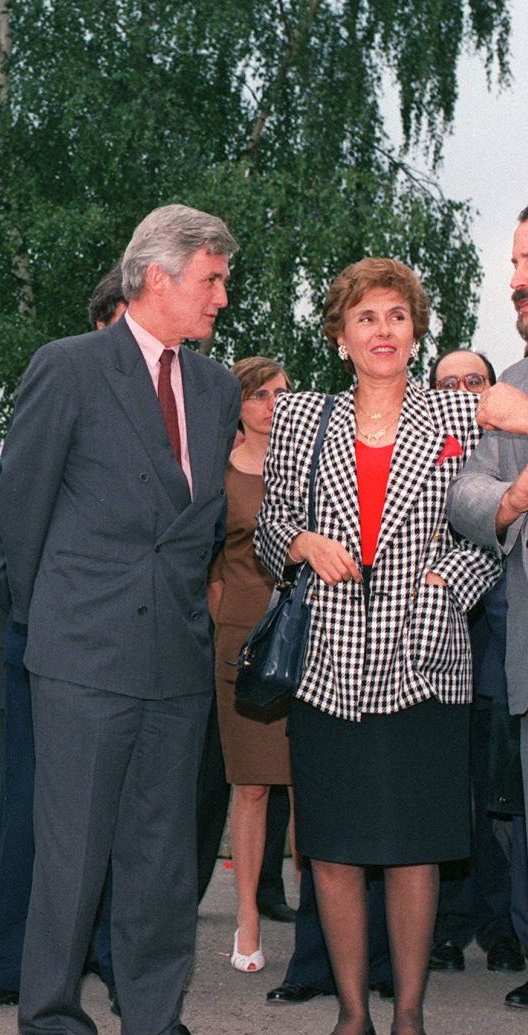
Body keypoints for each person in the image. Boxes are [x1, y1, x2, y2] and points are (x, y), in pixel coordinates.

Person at [0, 204, 239, 1035]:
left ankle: (154, 1030)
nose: (222, 295)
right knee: (72, 858)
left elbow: (202, 525)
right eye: (211, 279)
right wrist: (53, 617)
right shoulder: (68, 368)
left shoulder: (215, 388)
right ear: (158, 279)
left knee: (163, 861)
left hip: (175, 658)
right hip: (83, 658)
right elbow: (15, 509)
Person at [256, 257, 500, 1035]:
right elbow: (267, 529)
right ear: (340, 334)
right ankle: (352, 1015)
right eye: (366, 318)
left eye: (397, 315)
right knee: (332, 849)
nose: (383, 331)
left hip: (423, 661)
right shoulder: (300, 419)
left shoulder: (456, 414)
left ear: (416, 327)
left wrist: (444, 584)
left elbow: (489, 537)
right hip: (326, 666)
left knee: (414, 850)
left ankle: (411, 1018)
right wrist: (300, 541)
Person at [0, 268, 128, 1024]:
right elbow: (9, 570)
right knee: (25, 814)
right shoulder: (1, 479)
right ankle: (0, 968)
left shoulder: (150, 461)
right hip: (31, 662)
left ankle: (110, 959)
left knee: (114, 817)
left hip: (119, 662)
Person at [448, 188, 528, 1013]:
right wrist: (509, 501)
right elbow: (465, 495)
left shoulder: (521, 397)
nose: (518, 280)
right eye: (516, 263)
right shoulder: (514, 377)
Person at [425, 350, 525, 978]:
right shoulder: (412, 445)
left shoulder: (512, 446)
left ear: (492, 389)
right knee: (446, 801)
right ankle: (447, 927)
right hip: (427, 661)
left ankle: (503, 928)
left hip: (496, 657)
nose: (462, 390)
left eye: (474, 380)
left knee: (497, 806)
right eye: (448, 382)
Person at [208, 356, 294, 975]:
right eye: (259, 395)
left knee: (317, 788)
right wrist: (227, 629)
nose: (271, 405)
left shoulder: (313, 467)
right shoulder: (219, 475)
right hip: (241, 641)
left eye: (281, 394)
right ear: (237, 405)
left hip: (314, 639)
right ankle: (248, 921)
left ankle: (324, 928)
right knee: (254, 787)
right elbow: (207, 567)